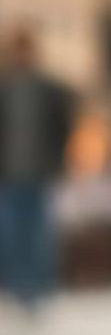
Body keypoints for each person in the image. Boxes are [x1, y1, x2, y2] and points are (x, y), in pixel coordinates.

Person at [0, 25, 75, 309]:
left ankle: (39, 288)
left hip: (39, 171)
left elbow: (62, 126)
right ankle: (18, 287)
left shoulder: (48, 88)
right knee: (11, 233)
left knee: (39, 233)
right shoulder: (5, 88)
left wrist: (59, 161)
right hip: (8, 173)